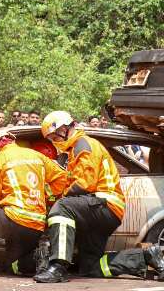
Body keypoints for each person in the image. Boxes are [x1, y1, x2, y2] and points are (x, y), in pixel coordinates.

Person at [34, 111, 164, 283]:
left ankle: (58, 267)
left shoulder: (83, 144)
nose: (54, 142)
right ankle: (146, 256)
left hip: (104, 203)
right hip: (100, 208)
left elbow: (83, 184)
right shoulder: (76, 149)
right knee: (91, 267)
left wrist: (58, 200)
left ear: (64, 128)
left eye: (54, 137)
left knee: (62, 207)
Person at [0, 130, 68, 275]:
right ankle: (37, 259)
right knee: (14, 265)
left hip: (13, 220)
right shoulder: (36, 155)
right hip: (37, 224)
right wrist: (47, 196)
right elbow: (62, 177)